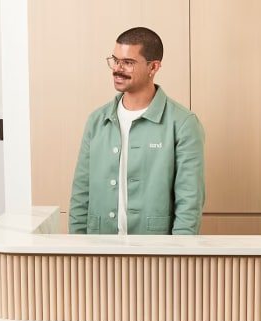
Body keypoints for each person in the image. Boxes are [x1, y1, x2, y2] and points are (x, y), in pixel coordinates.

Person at [69, 26, 206, 235]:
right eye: (115, 60)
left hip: (156, 253)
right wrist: (77, 249)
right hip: (99, 249)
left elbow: (190, 201)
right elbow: (81, 194)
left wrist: (179, 254)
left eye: (128, 63)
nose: (117, 68)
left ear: (154, 67)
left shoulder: (183, 123)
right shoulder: (97, 121)